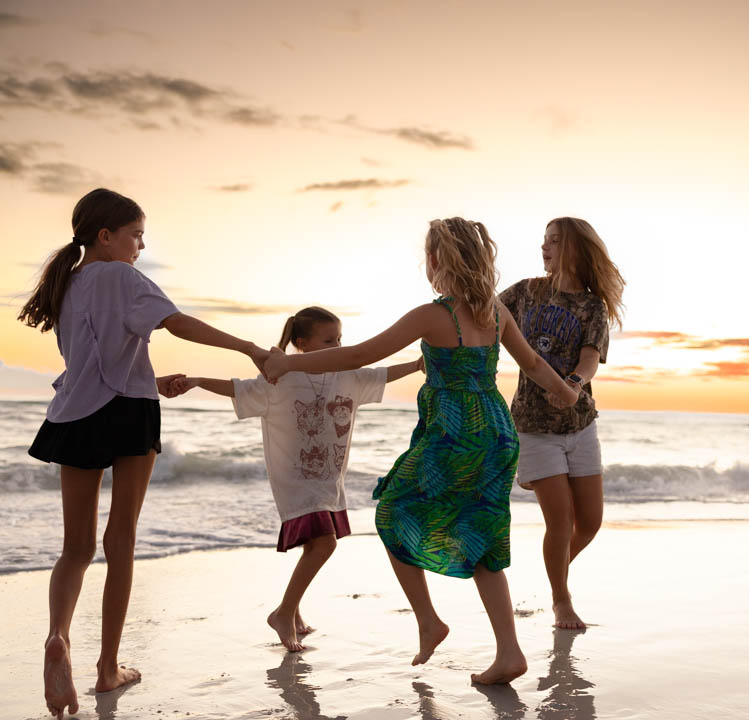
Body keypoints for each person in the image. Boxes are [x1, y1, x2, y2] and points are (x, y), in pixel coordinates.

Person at [264, 218, 580, 685]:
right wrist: (566, 393)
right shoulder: (495, 312)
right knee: (482, 535)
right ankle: (508, 651)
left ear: (436, 261)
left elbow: (356, 357)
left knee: (392, 511)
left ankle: (429, 620)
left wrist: (289, 362)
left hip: (453, 433)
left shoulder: (435, 315)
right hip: (496, 433)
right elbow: (531, 363)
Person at [18, 188, 270, 720]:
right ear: (105, 235)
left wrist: (146, 375)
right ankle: (108, 667)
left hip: (74, 416)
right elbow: (177, 322)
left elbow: (93, 362)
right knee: (121, 539)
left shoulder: (66, 285)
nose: (141, 245)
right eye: (135, 235)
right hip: (129, 413)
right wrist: (248, 347)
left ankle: (58, 637)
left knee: (76, 548)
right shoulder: (124, 277)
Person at [170, 306, 423, 651]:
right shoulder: (282, 378)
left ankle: (295, 613)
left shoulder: (346, 374)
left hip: (329, 480)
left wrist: (418, 364)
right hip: (295, 480)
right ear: (301, 343)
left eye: (340, 339)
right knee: (325, 543)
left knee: (314, 544)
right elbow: (238, 389)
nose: (338, 346)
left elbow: (382, 374)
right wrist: (197, 381)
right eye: (329, 340)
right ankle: (283, 613)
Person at [499, 217, 625, 630]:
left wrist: (573, 382)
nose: (544, 247)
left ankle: (555, 571)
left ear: (574, 248)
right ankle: (561, 601)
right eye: (544, 240)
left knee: (590, 523)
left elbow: (590, 358)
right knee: (562, 521)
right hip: (533, 426)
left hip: (581, 423)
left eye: (554, 241)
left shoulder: (591, 306)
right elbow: (481, 313)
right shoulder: (525, 292)